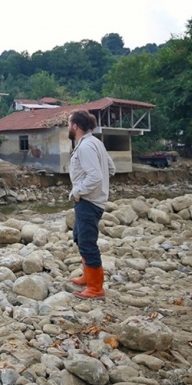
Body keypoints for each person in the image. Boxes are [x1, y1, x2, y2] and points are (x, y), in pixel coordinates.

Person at [67, 110, 116, 299]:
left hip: (88, 201)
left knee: (88, 243)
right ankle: (88, 277)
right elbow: (110, 169)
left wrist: (78, 191)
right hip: (92, 200)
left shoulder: (86, 146)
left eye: (68, 124)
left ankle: (96, 288)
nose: (67, 127)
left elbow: (95, 176)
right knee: (80, 237)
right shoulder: (95, 143)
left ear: (75, 126)